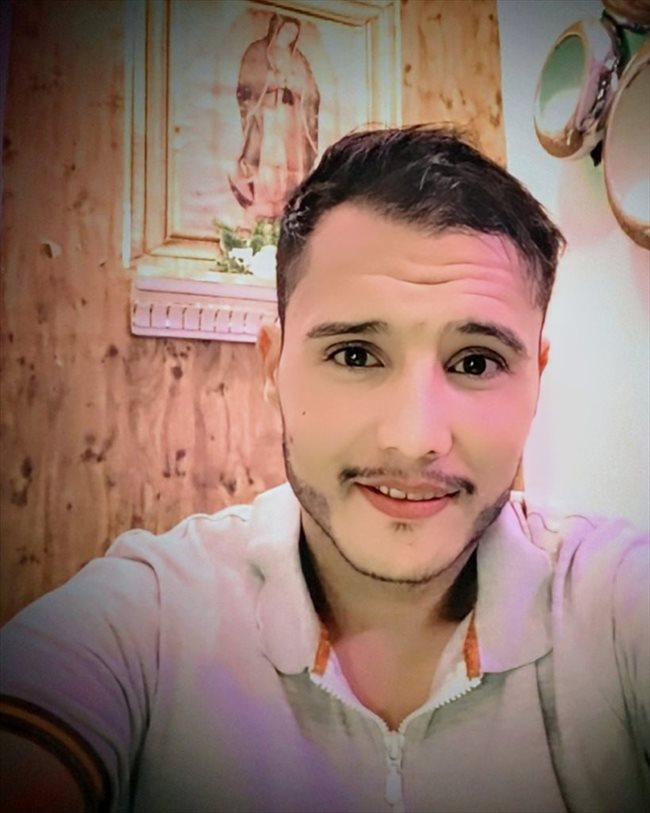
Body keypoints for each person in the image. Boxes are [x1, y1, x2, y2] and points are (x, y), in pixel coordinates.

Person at [1, 126, 648, 813]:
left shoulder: (612, 602)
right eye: (355, 354)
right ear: (273, 367)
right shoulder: (148, 617)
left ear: (536, 379)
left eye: (476, 361)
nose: (414, 439)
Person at [228, 13, 320, 219]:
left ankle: (285, 201)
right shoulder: (257, 52)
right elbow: (247, 85)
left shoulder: (298, 58)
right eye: (287, 30)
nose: (290, 36)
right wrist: (271, 82)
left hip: (291, 117)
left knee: (288, 159)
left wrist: (296, 86)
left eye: (294, 33)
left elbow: (311, 91)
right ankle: (264, 197)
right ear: (277, 29)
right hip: (266, 115)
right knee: (268, 154)